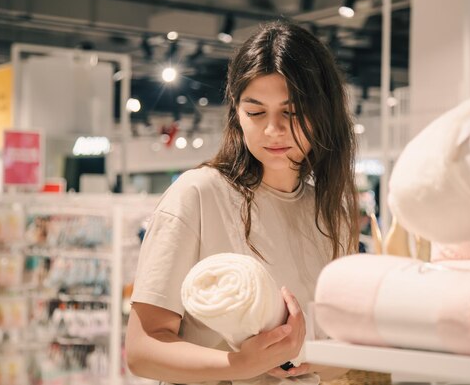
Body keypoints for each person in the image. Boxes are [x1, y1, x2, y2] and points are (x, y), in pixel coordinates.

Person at [125, 21, 359, 385]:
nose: (273, 130)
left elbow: (340, 354)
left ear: (323, 111)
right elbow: (143, 351)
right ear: (236, 112)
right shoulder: (198, 195)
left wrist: (302, 356)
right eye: (256, 112)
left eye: (293, 113)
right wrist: (240, 364)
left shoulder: (333, 216)